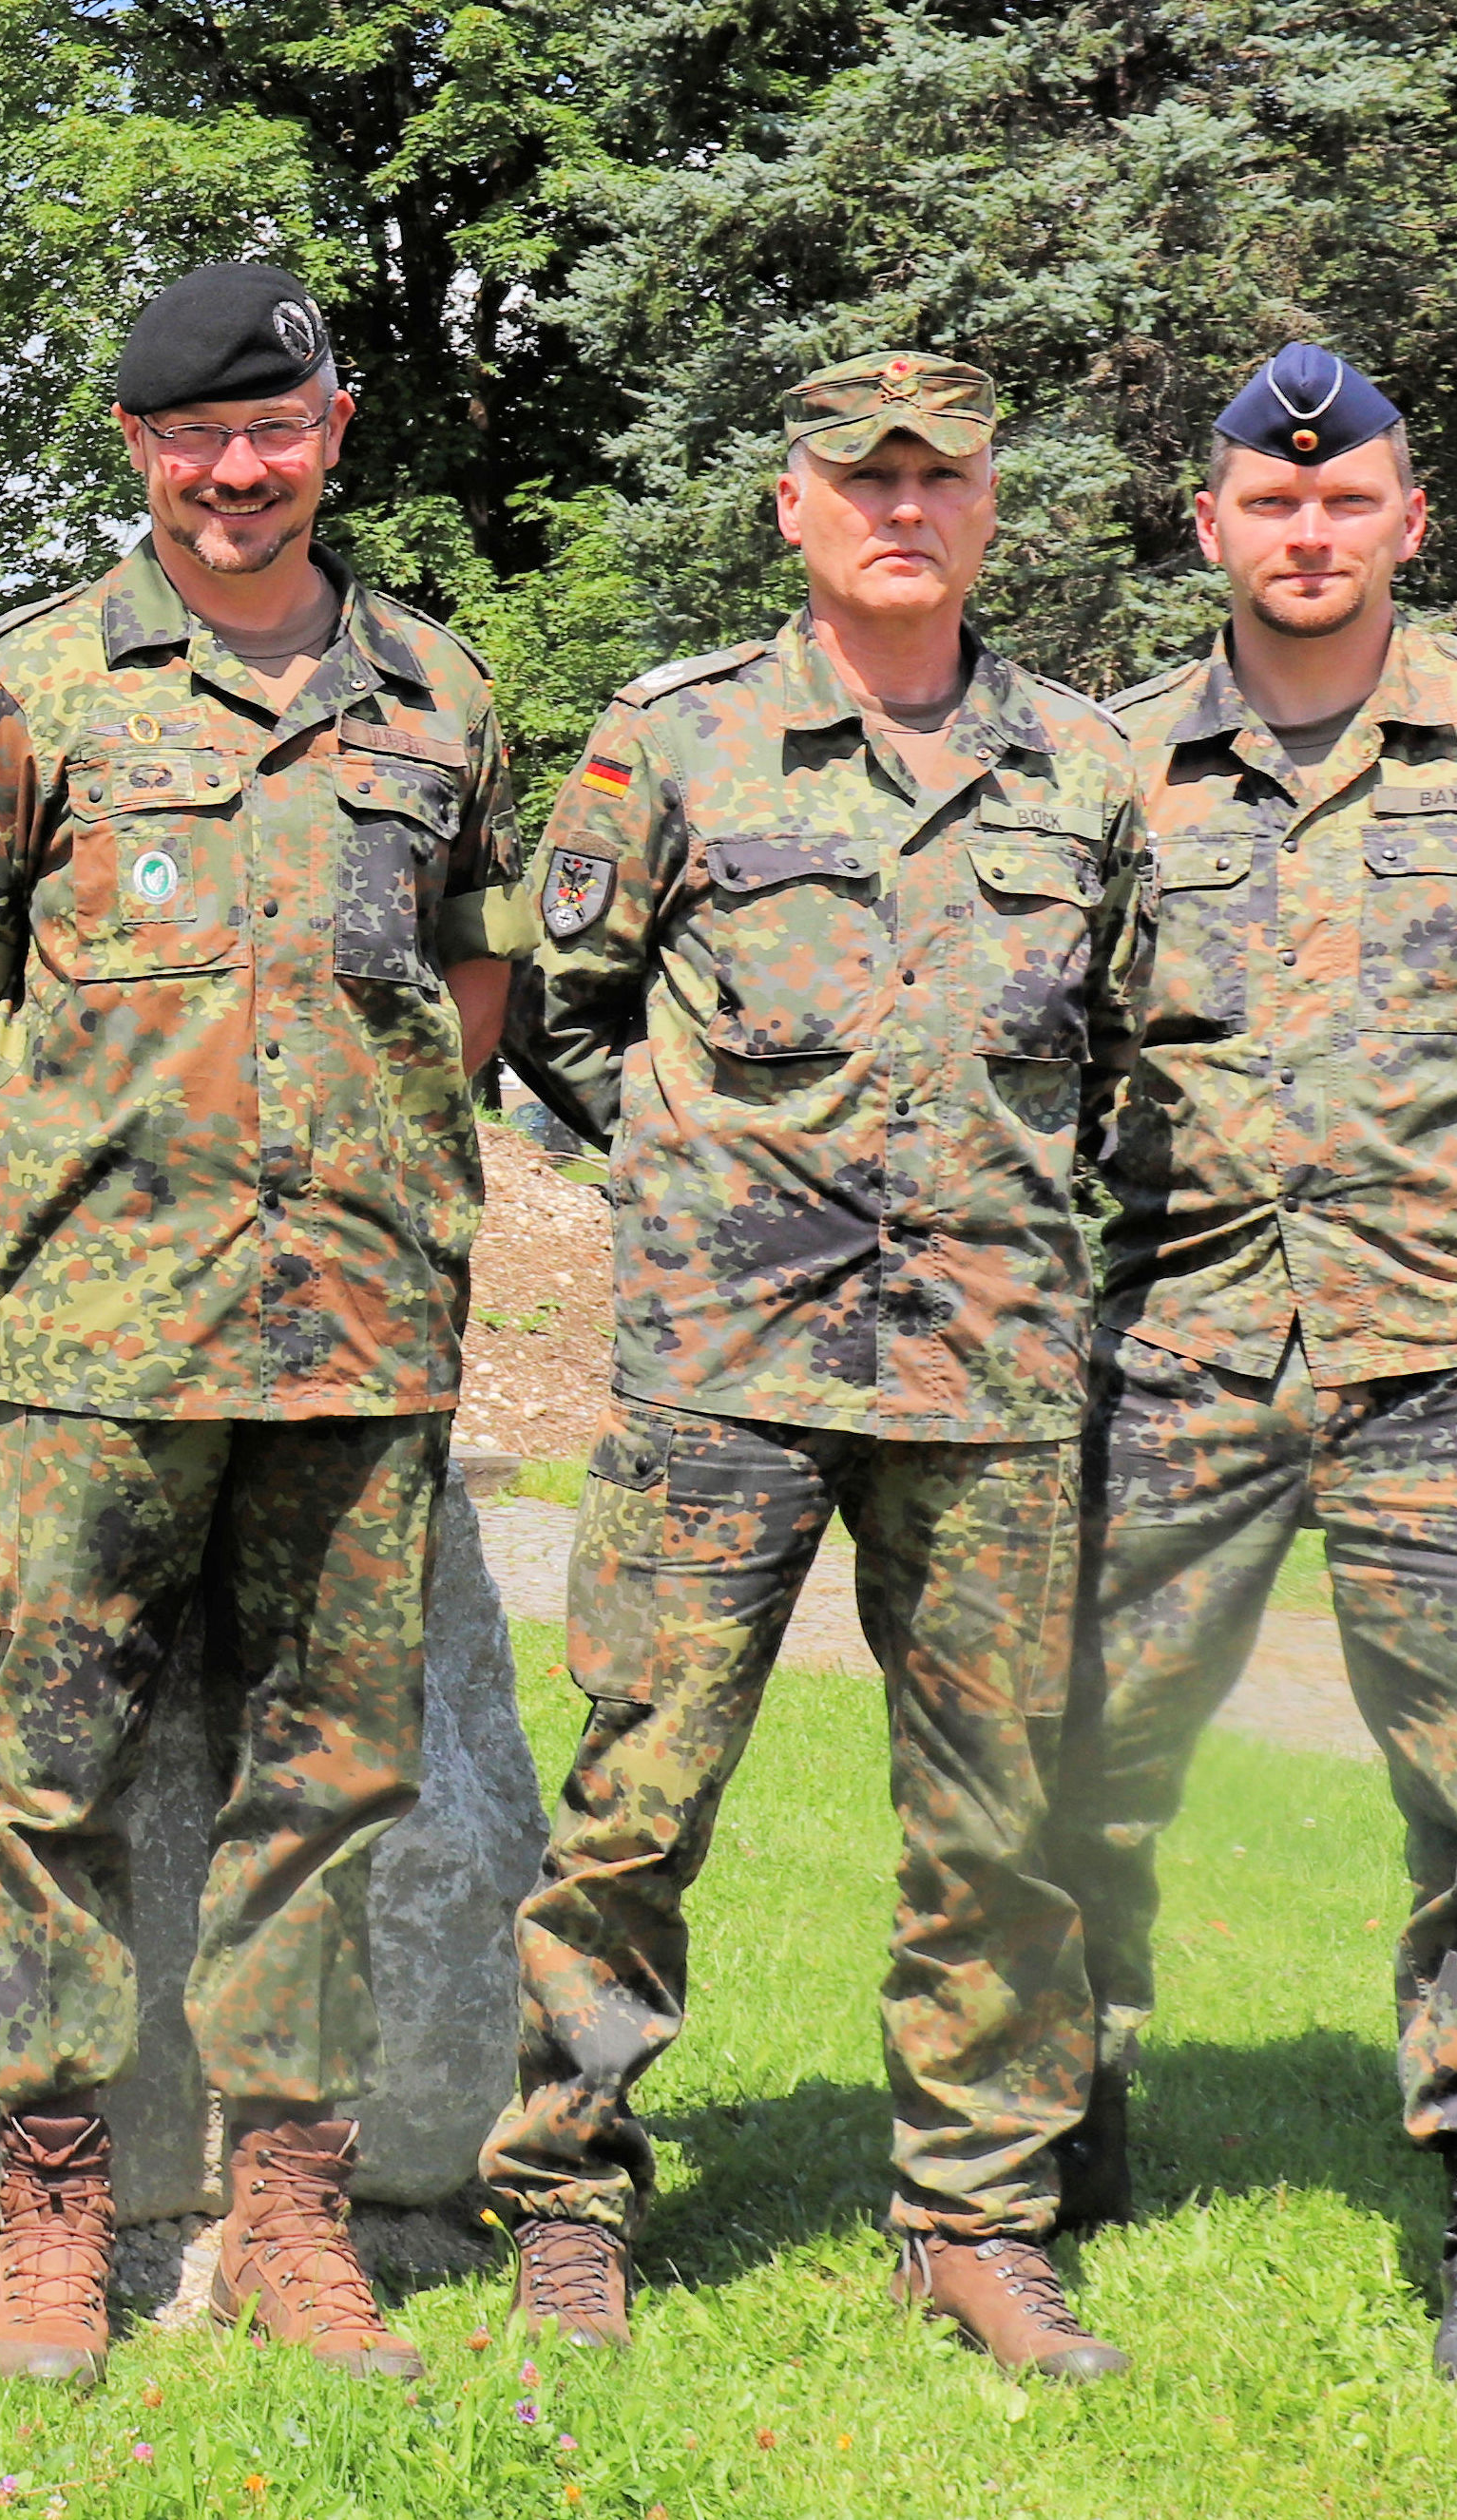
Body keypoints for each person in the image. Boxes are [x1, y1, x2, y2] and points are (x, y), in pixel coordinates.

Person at [0, 260, 517, 2393]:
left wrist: (400, 1171)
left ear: (333, 430)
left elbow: (472, 976)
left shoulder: (437, 691)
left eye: (271, 432)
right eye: (186, 442)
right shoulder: (24, 684)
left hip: (354, 1334)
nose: (233, 473)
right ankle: (52, 2209)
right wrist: (49, 1203)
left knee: (325, 1779)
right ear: (140, 455)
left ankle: (289, 2214)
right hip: (88, 1347)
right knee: (48, 1776)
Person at [473, 353, 1147, 2379]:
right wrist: (702, 1193)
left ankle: (974, 2222)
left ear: (988, 507)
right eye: (863, 475)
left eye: (942, 474)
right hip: (723, 1368)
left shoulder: (1086, 768)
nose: (902, 506)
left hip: (991, 1379)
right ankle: (571, 2196)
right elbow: (564, 1019)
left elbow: (1120, 1058)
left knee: (999, 1824)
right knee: (632, 1807)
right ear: (791, 506)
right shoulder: (675, 741)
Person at [1060, 344, 1457, 2396]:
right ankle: (1061, 2144)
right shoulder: (1112, 763)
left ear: (1408, 519)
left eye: (1347, 502)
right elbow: (1034, 1034)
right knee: (1085, 1770)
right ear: (1211, 522)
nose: (1307, 531)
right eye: (1271, 500)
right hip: (1172, 1348)